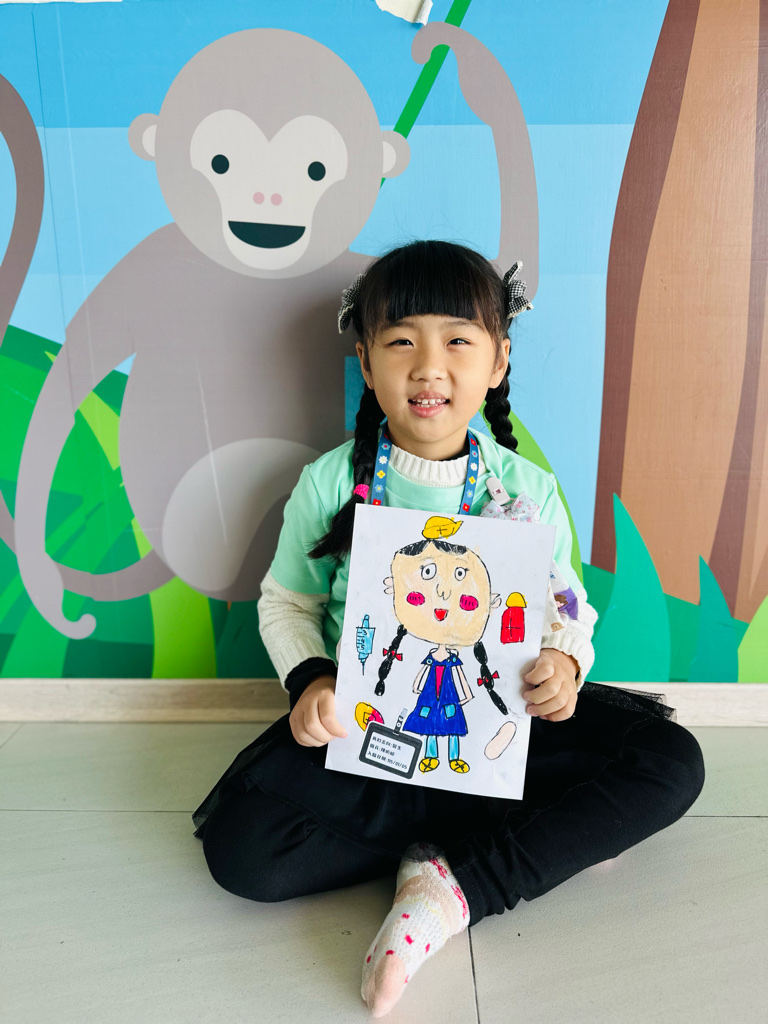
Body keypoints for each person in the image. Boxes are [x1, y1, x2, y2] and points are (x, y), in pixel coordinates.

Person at [192, 240, 705, 1018]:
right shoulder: (331, 482)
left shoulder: (524, 488)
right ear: (366, 364)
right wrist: (313, 682)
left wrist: (563, 663)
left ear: (498, 361)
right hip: (372, 737)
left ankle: (452, 889)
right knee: (243, 853)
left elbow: (566, 602)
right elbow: (286, 603)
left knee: (670, 762)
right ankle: (498, 839)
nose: (429, 368)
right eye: (401, 342)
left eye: (458, 341)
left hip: (496, 726)